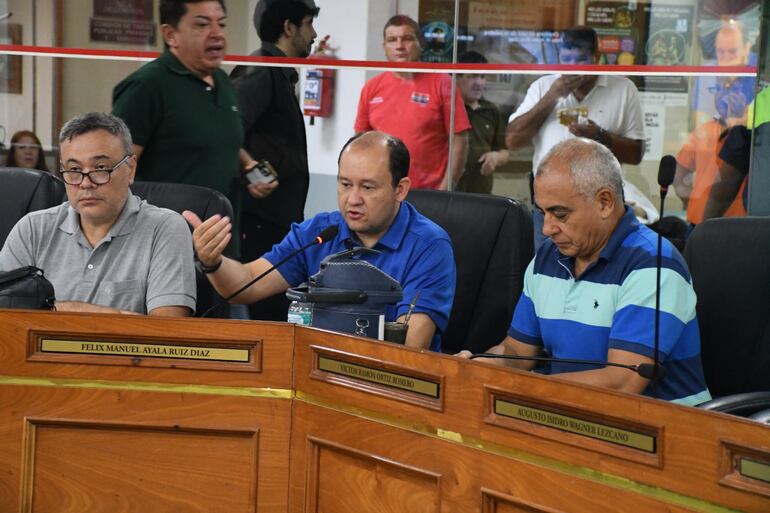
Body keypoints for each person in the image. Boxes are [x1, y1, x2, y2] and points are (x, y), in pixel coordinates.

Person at [459, 139, 711, 405]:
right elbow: (517, 352)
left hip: (664, 433)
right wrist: (478, 367)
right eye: (542, 212)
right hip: (567, 415)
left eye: (560, 214)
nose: (547, 229)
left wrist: (524, 389)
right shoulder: (548, 256)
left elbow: (622, 382)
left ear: (604, 203)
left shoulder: (653, 263)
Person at [183, 131, 456, 351]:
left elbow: (410, 347)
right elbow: (246, 285)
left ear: (401, 189)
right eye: (345, 184)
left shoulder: (429, 246)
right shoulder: (320, 232)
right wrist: (212, 262)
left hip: (389, 383)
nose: (353, 199)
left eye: (368, 187)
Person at [0, 112, 196, 316]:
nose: (85, 183)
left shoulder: (164, 228)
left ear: (130, 169)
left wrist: (56, 308)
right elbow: (5, 315)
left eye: (101, 168)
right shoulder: (32, 229)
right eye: (74, 169)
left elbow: (167, 331)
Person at [112, 0, 251, 255]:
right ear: (171, 35)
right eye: (201, 24)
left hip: (221, 240)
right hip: (167, 246)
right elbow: (116, 169)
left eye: (221, 24)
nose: (216, 33)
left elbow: (213, 134)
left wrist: (248, 163)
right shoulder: (147, 86)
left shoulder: (221, 80)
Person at [505, 26, 644, 248]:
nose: (572, 67)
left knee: (601, 267)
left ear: (595, 57)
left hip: (600, 206)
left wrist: (600, 136)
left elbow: (636, 153)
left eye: (580, 59)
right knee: (549, 269)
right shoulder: (544, 86)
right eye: (565, 58)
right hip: (550, 206)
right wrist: (552, 96)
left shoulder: (624, 89)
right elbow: (513, 140)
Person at [227, 0, 319, 321]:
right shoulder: (260, 70)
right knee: (267, 317)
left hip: (277, 223)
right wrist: (252, 172)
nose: (314, 34)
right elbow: (227, 128)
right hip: (260, 224)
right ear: (288, 28)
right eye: (308, 24)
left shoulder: (279, 74)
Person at [354, 15, 470, 190]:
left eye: (407, 39)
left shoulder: (442, 83)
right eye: (392, 40)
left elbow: (459, 141)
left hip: (430, 193)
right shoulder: (371, 87)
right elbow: (361, 141)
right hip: (382, 192)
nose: (399, 46)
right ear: (384, 47)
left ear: (420, 43)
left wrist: (445, 190)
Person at [455, 51, 509, 194]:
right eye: (472, 76)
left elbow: (505, 152)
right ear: (457, 78)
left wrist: (495, 157)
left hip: (481, 193)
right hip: (449, 191)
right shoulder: (448, 108)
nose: (479, 82)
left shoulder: (491, 110)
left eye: (482, 76)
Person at [692, 20, 755, 128]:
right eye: (720, 52)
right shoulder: (707, 74)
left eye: (733, 52)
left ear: (747, 48)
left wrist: (744, 122)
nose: (726, 58)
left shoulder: (759, 70)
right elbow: (701, 120)